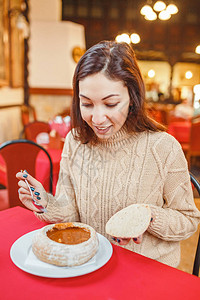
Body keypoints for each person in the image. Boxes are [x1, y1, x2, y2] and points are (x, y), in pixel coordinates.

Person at [16, 41, 200, 268]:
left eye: (111, 104)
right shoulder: (75, 141)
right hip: (89, 263)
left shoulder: (162, 147)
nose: (98, 118)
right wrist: (46, 203)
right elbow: (71, 209)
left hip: (146, 269)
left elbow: (189, 220)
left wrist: (149, 216)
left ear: (133, 98)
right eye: (87, 104)